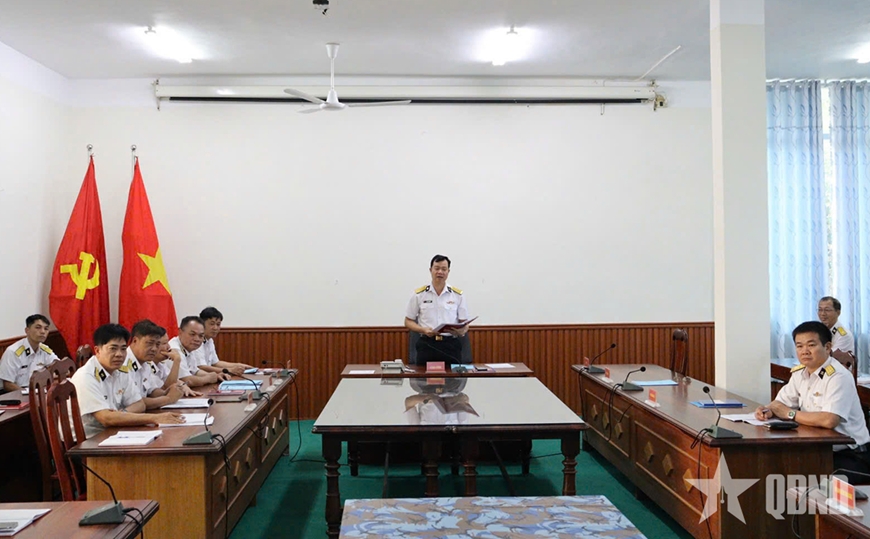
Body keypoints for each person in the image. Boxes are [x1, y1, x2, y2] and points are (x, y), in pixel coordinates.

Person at [755, 321, 870, 484]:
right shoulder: (800, 373)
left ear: (827, 347)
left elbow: (829, 420)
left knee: (801, 478)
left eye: (811, 345)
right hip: (818, 449)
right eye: (799, 346)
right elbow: (779, 404)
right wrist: (767, 410)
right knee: (775, 468)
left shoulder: (838, 377)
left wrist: (789, 413)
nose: (804, 351)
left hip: (851, 456)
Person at [70, 323, 184, 438]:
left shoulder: (119, 371)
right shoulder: (86, 376)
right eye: (113, 349)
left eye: (123, 349)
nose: (119, 354)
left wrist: (120, 415)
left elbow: (139, 404)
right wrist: (155, 418)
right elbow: (106, 418)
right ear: (98, 351)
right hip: (88, 441)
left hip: (113, 432)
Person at [404, 254, 470, 366]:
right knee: (425, 376)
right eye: (437, 268)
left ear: (448, 271)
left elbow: (464, 324)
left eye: (444, 269)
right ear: (431, 270)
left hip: (450, 345)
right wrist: (423, 329)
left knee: (452, 376)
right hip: (427, 345)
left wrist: (461, 331)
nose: (440, 272)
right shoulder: (419, 295)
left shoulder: (457, 295)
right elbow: (408, 321)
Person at [124, 320, 184, 409]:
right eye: (150, 343)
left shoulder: (145, 363)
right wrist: (168, 399)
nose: (154, 349)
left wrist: (168, 392)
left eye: (157, 344)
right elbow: (135, 402)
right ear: (135, 340)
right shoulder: (123, 363)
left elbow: (152, 391)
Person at [0, 314, 60, 392]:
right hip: (18, 393)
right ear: (27, 330)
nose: (43, 332)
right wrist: (30, 395)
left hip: (38, 391)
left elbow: (59, 366)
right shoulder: (13, 352)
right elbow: (7, 384)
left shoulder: (44, 350)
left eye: (46, 328)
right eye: (38, 327)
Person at [194, 307, 253, 376]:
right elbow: (201, 366)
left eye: (218, 324)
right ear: (202, 324)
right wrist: (229, 370)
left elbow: (216, 363)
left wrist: (239, 365)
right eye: (212, 324)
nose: (215, 328)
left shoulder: (209, 340)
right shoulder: (196, 340)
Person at [170, 316, 228, 387]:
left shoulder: (189, 347)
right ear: (180, 332)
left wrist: (216, 376)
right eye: (192, 334)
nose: (197, 339)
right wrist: (208, 378)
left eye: (201, 336)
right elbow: (186, 380)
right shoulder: (174, 349)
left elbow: (195, 371)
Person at [818, 296, 856, 367]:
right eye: (820, 310)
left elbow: (830, 358)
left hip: (836, 370)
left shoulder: (844, 335)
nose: (822, 314)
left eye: (827, 310)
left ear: (838, 312)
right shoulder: (817, 331)